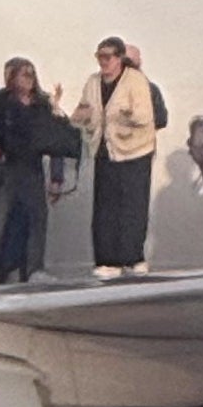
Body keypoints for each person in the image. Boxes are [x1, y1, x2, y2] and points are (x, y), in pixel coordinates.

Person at [0, 58, 64, 286]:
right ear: (11, 77)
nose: (28, 78)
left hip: (33, 167)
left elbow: (54, 140)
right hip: (7, 167)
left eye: (31, 73)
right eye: (22, 73)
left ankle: (34, 269)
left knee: (36, 218)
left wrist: (56, 177)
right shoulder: (0, 102)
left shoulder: (42, 104)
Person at [71, 36, 158, 278]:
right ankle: (106, 259)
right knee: (104, 207)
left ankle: (132, 256)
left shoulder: (136, 81)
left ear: (119, 58)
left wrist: (123, 114)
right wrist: (79, 115)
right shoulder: (93, 82)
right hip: (104, 150)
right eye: (99, 57)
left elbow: (144, 115)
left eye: (107, 57)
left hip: (134, 151)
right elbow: (85, 109)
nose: (103, 62)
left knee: (132, 206)